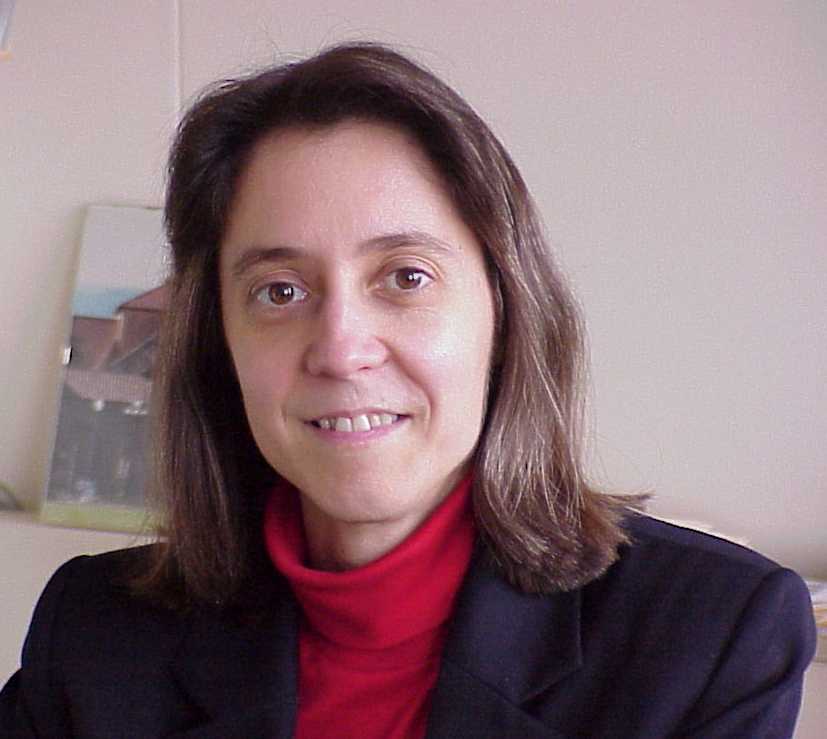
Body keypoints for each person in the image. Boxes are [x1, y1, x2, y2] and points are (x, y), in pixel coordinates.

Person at [0, 42, 816, 739]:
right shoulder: (94, 631)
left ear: (504, 311)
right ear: (218, 341)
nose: (341, 348)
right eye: (279, 290)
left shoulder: (710, 633)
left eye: (404, 276)